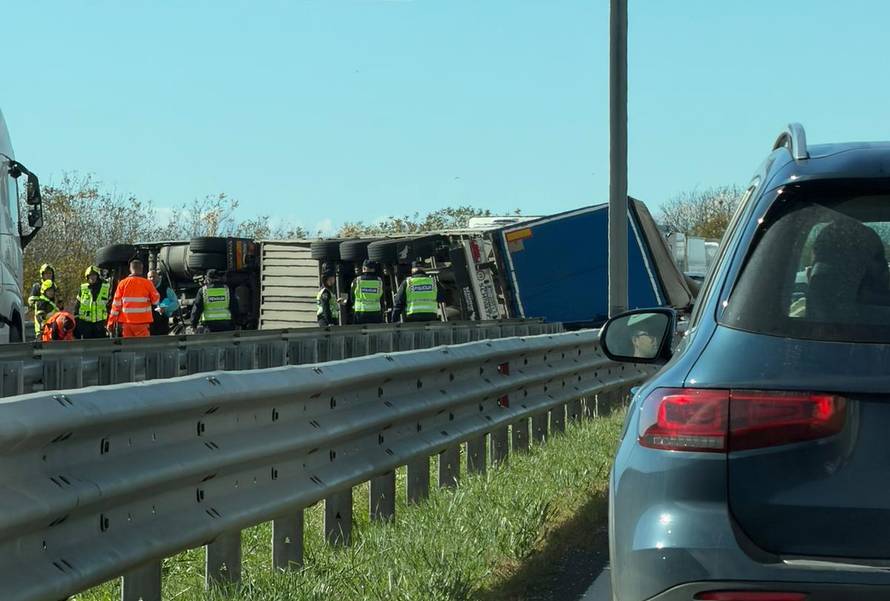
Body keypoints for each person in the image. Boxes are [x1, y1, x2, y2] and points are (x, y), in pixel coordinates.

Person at [107, 259, 160, 338]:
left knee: (129, 348)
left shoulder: (122, 283)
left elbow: (115, 306)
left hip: (126, 323)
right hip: (142, 323)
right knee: (142, 347)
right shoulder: (148, 283)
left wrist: (110, 322)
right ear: (141, 269)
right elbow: (156, 301)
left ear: (130, 269)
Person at [73, 266, 111, 339]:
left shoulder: (106, 287)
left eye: (94, 275)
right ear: (87, 277)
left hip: (101, 324)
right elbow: (77, 306)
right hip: (85, 324)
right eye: (90, 276)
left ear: (98, 276)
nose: (92, 277)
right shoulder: (83, 288)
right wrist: (77, 322)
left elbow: (110, 305)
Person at [348, 260, 385, 324]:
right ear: (373, 269)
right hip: (375, 313)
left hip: (360, 313)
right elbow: (382, 297)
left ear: (364, 268)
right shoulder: (379, 281)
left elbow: (352, 297)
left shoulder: (357, 280)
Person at [148, 269, 180, 335]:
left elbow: (176, 303)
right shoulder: (145, 289)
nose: (151, 279)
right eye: (150, 277)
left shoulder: (166, 289)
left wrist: (165, 308)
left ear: (158, 278)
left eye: (153, 276)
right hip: (148, 324)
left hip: (162, 325)